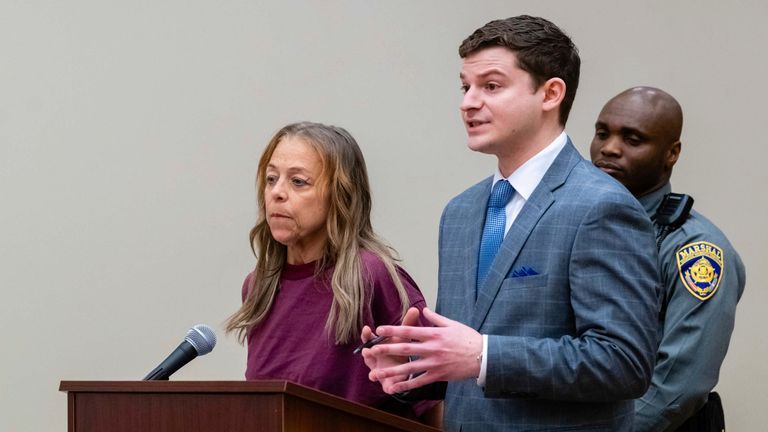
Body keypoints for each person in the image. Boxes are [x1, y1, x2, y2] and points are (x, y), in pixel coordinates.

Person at [361, 15, 661, 431]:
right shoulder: (460, 213)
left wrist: (484, 356)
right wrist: (415, 368)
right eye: (465, 87)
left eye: (491, 86)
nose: (468, 102)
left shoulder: (601, 207)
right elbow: (468, 361)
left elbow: (623, 363)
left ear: (551, 93)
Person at [225, 121, 436, 420]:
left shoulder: (372, 275)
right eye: (271, 179)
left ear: (340, 195)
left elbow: (437, 406)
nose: (277, 193)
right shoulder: (259, 285)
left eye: (298, 182)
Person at [590, 86, 746, 432]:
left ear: (671, 153)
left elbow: (677, 387)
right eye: (602, 133)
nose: (609, 148)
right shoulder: (580, 228)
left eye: (632, 139)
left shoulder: (695, 249)